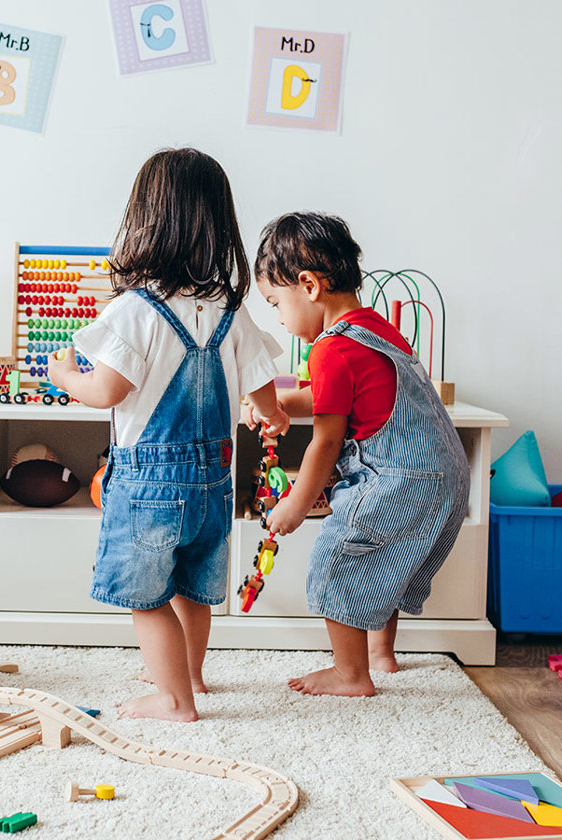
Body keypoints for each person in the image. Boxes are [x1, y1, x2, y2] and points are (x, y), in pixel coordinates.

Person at [49, 148, 289, 721]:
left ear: (146, 221)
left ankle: (174, 699)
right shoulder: (230, 308)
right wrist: (269, 416)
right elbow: (263, 390)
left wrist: (64, 376)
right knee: (191, 587)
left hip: (151, 483)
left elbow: (106, 390)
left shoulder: (136, 308)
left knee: (147, 597)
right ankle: (192, 677)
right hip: (215, 478)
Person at [246, 211, 468, 697]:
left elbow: (326, 439)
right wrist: (282, 403)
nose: (280, 320)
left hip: (402, 477)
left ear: (308, 286)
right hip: (445, 474)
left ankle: (350, 675)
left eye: (275, 304)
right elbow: (338, 397)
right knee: (384, 560)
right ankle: (380, 654)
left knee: (339, 557)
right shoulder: (375, 329)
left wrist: (297, 504)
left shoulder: (328, 350)